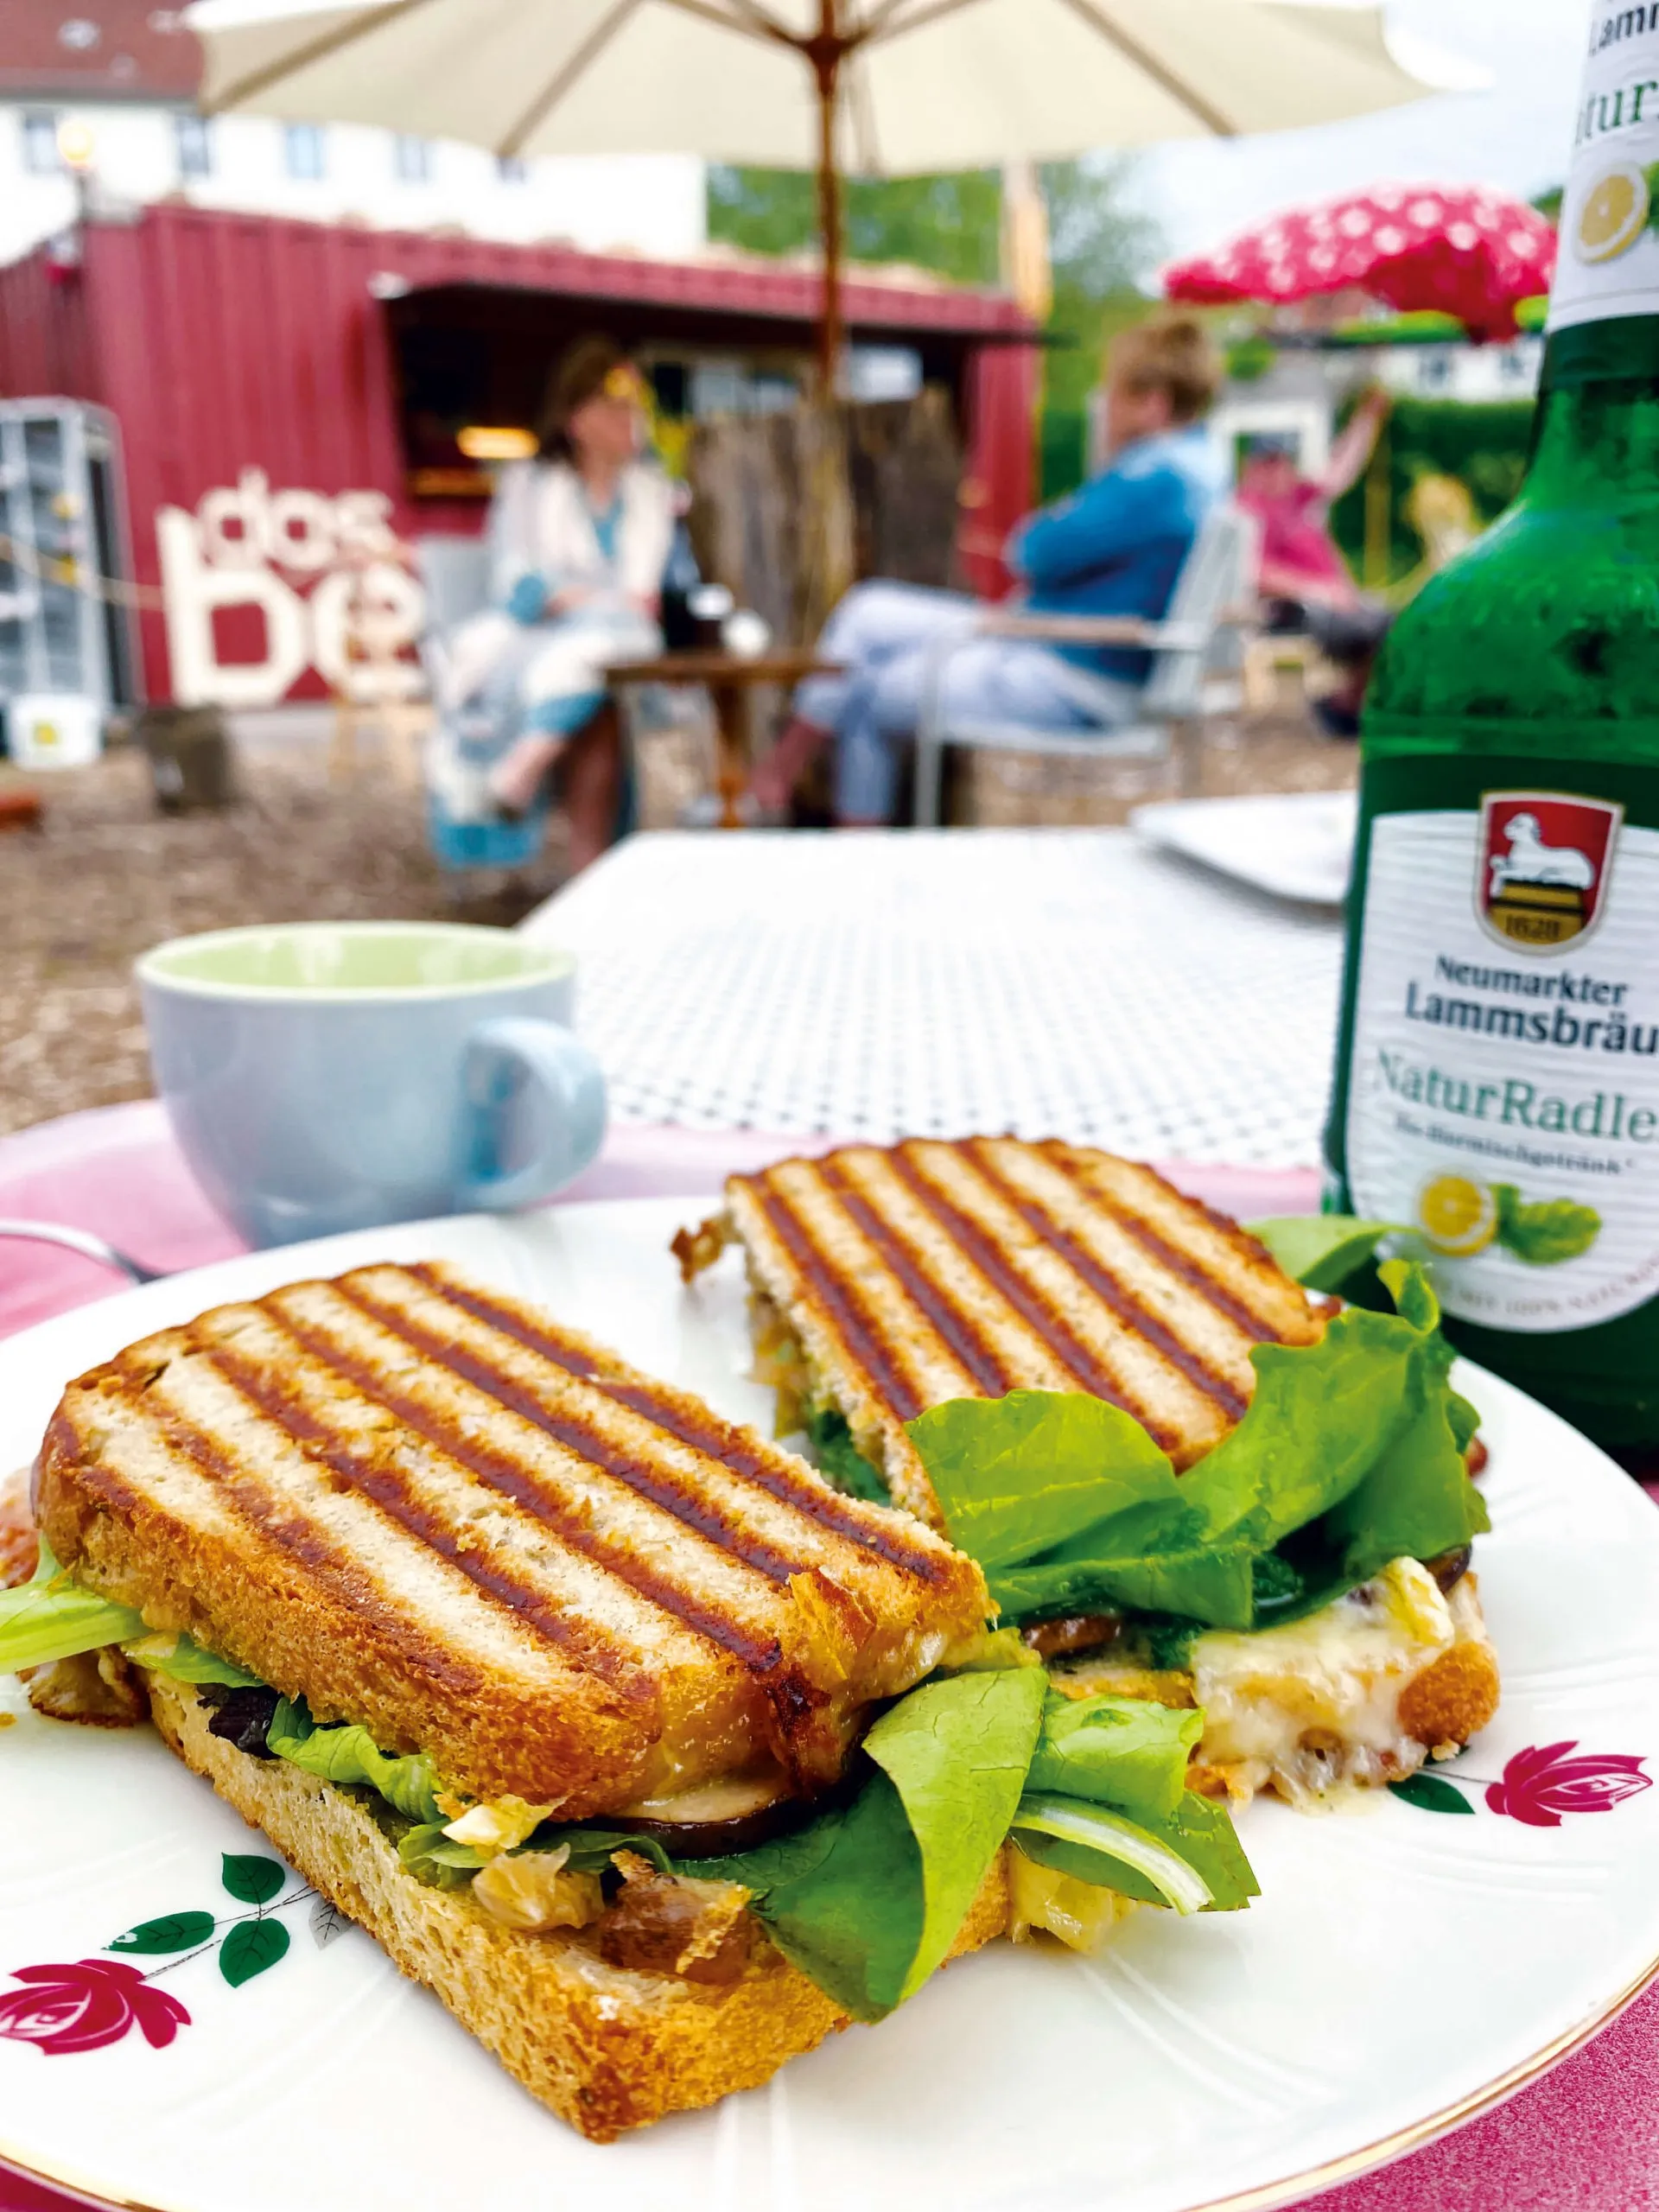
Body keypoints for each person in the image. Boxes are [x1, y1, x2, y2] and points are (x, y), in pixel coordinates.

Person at [751, 315, 1226, 825]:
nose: (1105, 408)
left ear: (1151, 403)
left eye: (1112, 395)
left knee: (871, 693)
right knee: (868, 610)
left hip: (1069, 671)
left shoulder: (1154, 477)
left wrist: (1063, 516)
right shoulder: (1197, 467)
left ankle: (815, 818)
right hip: (1045, 640)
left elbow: (1034, 550)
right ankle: (779, 775)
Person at [427, 335, 674, 874]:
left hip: (617, 648)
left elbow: (671, 590)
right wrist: (592, 601)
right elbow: (519, 582)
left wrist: (614, 603)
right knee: (601, 697)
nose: (630, 420)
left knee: (610, 667)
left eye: (634, 409)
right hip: (540, 641)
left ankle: (528, 766)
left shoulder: (652, 494)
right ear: (578, 419)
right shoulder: (533, 486)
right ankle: (591, 865)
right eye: (615, 409)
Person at [1234, 388, 1392, 738]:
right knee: (1375, 627)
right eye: (1269, 462)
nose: (1277, 470)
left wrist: (1365, 420)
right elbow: (1251, 570)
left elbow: (1340, 471)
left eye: (1282, 461)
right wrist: (1315, 589)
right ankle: (1346, 705)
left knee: (1395, 622)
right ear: (1252, 466)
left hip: (1330, 599)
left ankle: (1348, 703)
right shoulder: (1247, 508)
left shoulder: (1297, 498)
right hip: (1292, 607)